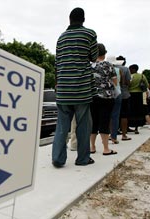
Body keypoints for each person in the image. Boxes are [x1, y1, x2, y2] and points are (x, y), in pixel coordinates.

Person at [52, 7, 98, 167]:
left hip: (63, 88)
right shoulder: (90, 34)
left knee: (62, 125)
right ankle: (83, 158)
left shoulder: (61, 37)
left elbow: (57, 64)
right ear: (83, 19)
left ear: (69, 19)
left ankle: (57, 159)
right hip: (82, 88)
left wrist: (58, 84)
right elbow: (93, 57)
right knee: (84, 125)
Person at [90, 44, 117, 156]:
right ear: (104, 53)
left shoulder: (89, 65)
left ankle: (92, 147)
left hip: (92, 96)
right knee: (104, 121)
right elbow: (115, 82)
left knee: (93, 122)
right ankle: (106, 148)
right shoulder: (108, 65)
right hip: (106, 96)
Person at [106, 56, 124, 144]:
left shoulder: (103, 69)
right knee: (115, 116)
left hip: (108, 94)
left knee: (107, 115)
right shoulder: (118, 70)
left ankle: (108, 134)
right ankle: (114, 136)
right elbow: (122, 82)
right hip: (117, 93)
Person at [128, 64, 149, 133]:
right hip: (139, 94)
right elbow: (147, 85)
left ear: (133, 69)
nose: (129, 71)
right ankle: (137, 127)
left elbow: (127, 84)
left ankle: (129, 125)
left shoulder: (131, 76)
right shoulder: (142, 76)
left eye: (130, 69)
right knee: (138, 110)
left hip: (130, 94)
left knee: (131, 110)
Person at [116, 56, 132, 141]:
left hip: (113, 94)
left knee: (112, 115)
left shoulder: (111, 68)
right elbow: (128, 82)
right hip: (124, 94)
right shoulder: (126, 69)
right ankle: (124, 135)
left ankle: (112, 134)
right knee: (124, 115)